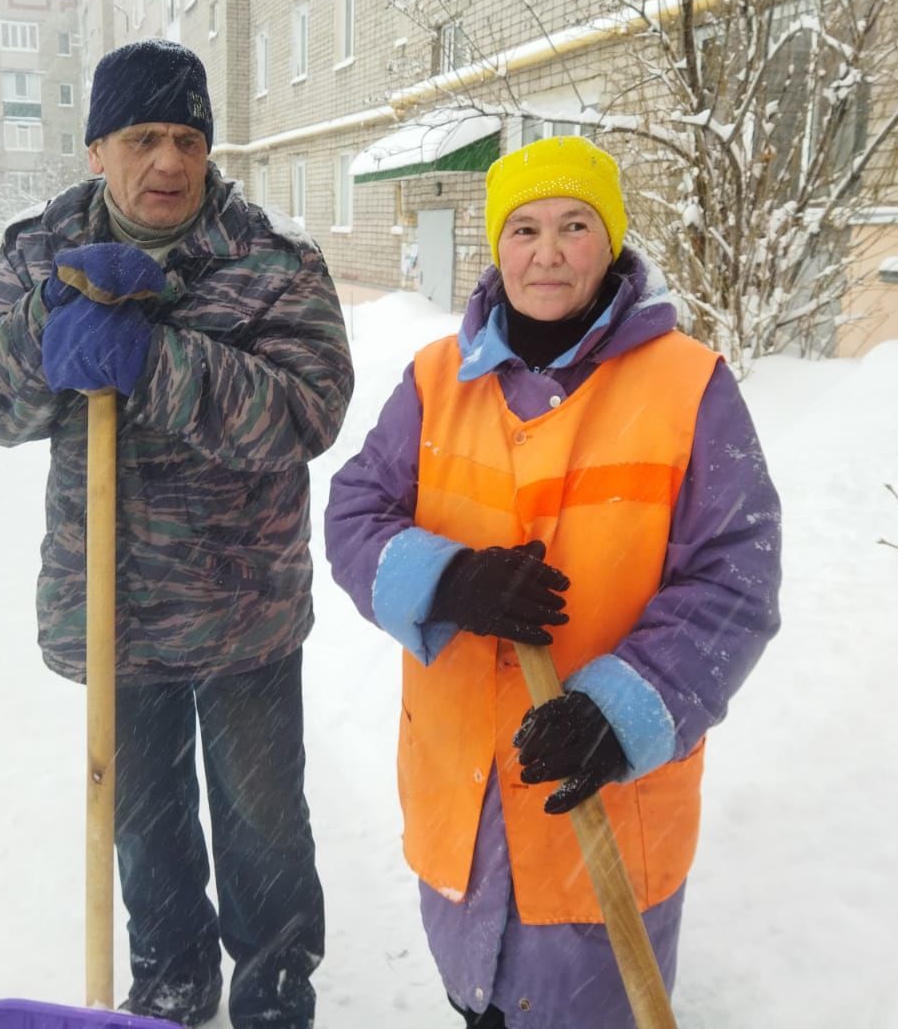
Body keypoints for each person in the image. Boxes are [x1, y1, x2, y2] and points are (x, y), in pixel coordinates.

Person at [0, 39, 354, 1029]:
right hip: (111, 600)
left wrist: (154, 361)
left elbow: (306, 412)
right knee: (142, 823)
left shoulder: (270, 265)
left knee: (261, 824)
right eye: (141, 138)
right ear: (96, 151)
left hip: (241, 602)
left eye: (186, 139)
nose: (167, 161)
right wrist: (43, 332)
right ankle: (170, 983)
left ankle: (272, 988)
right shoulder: (40, 259)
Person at [323, 135, 781, 1027]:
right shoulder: (435, 382)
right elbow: (354, 514)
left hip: (603, 799)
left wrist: (623, 709)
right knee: (478, 1004)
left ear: (609, 241)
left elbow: (738, 576)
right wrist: (447, 581)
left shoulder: (689, 388)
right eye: (524, 228)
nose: (548, 251)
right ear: (497, 246)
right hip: (463, 798)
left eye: (575, 225)